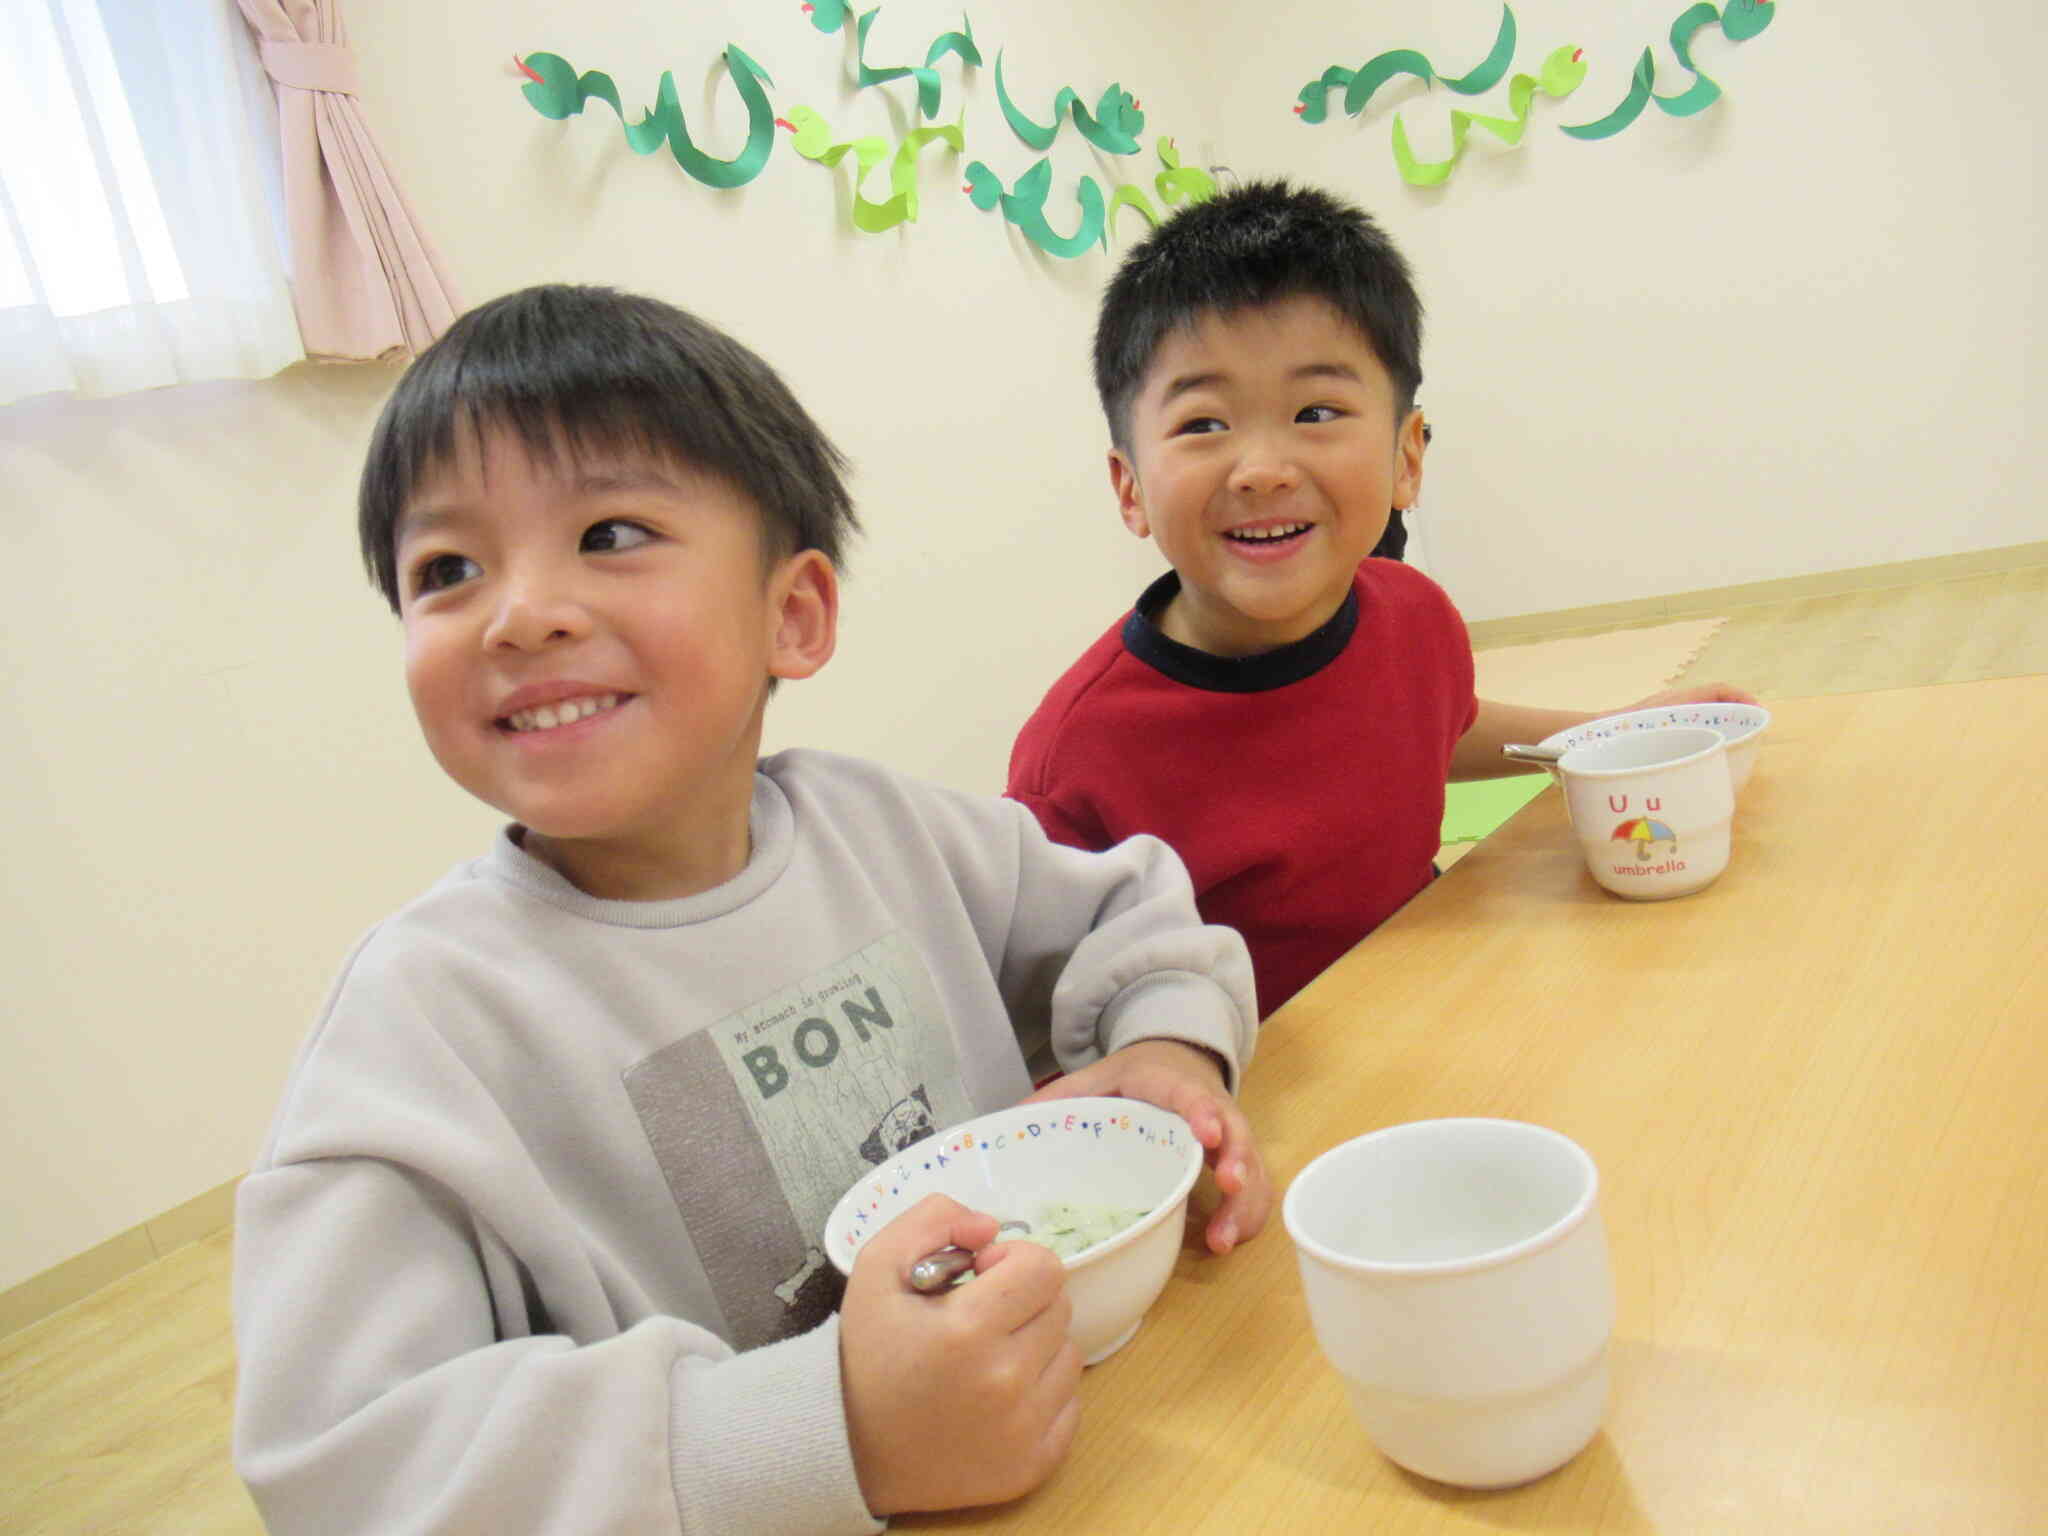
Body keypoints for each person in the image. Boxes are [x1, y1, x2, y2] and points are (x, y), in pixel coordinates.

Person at [232, 284, 1267, 1535]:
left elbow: (1137, 915)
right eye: (446, 569)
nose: (520, 613)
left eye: (607, 534)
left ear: (794, 613)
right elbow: (341, 1462)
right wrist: (820, 1433)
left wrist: (1165, 1045)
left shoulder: (886, 836)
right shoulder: (422, 1029)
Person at [1007, 181, 1752, 1017]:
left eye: (1316, 410)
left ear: (1407, 457)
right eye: (1203, 424)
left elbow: (1441, 722)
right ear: (1130, 486)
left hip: (1440, 1000)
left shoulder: (1412, 614)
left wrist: (1618, 732)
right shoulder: (1074, 763)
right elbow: (1044, 1009)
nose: (1262, 467)